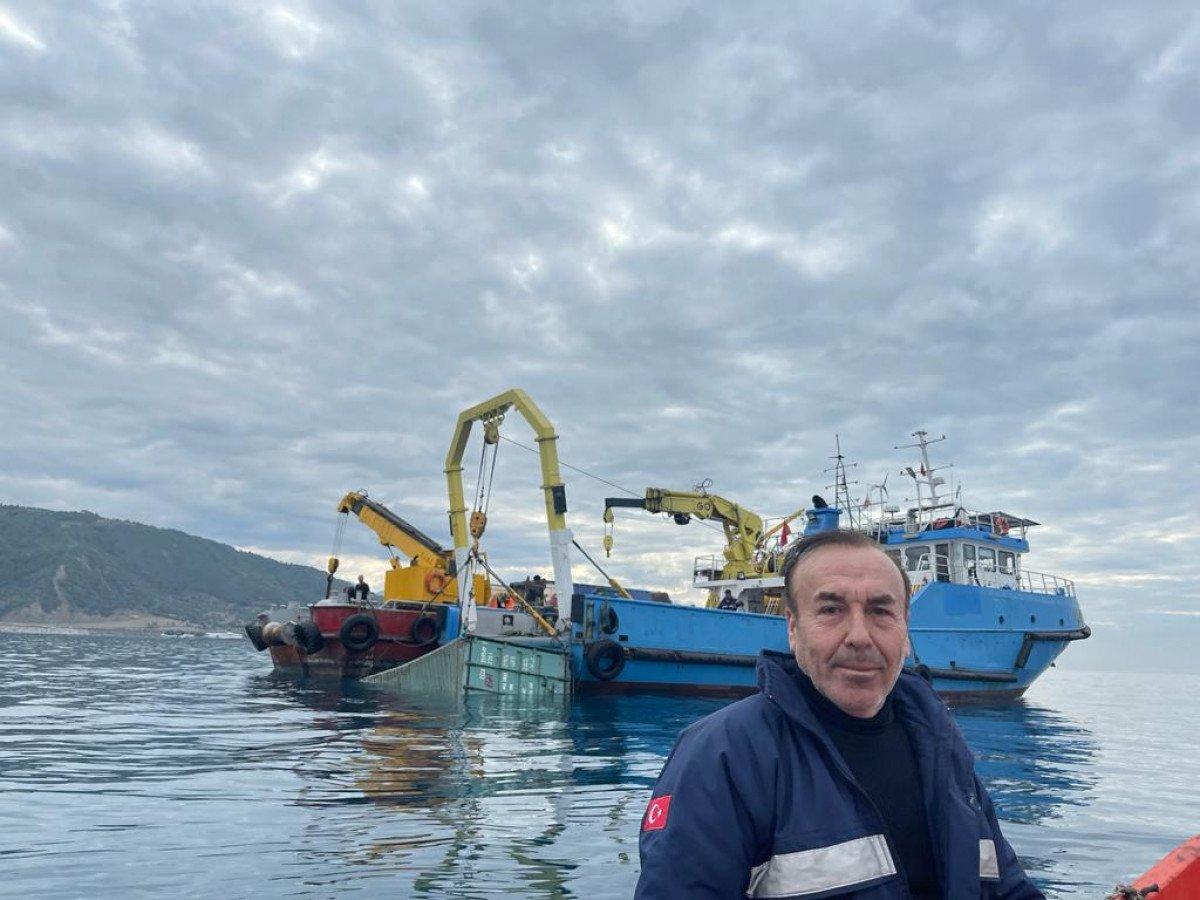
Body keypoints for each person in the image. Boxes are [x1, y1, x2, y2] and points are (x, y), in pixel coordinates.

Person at [636, 529, 1042, 899]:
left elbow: (1006, 888)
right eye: (831, 610)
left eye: (881, 611)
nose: (859, 637)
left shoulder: (942, 744)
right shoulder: (723, 756)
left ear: (905, 628)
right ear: (793, 627)